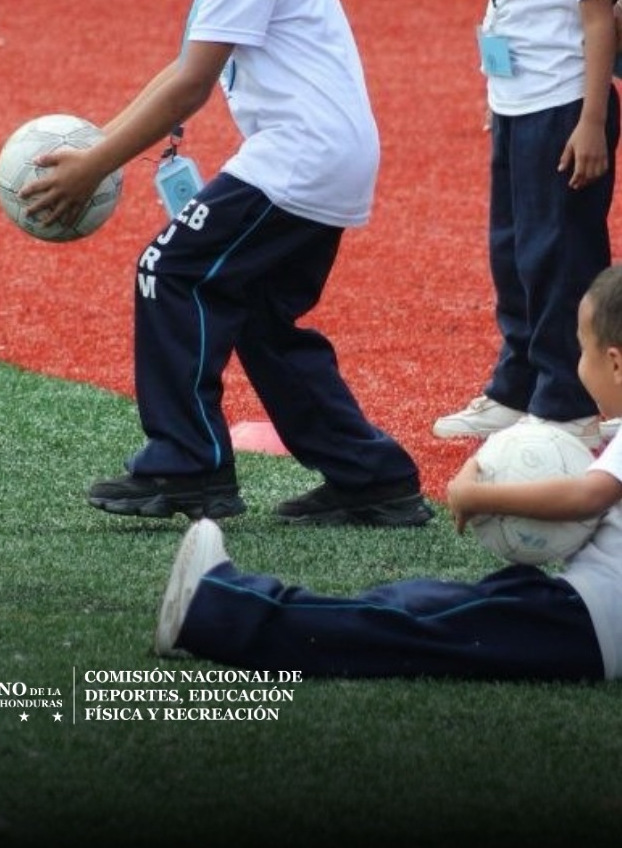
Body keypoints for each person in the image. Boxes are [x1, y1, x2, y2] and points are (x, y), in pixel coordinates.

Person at [22, 0, 430, 527]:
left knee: (168, 271)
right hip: (322, 156)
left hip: (299, 157)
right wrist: (106, 141)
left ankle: (189, 468)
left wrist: (94, 164)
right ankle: (372, 478)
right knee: (265, 321)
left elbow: (189, 85)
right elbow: (184, 71)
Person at [155, 264, 622, 679]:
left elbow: (587, 497)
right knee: (424, 603)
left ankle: (215, 609)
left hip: (590, 619)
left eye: (582, 351)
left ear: (615, 363)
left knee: (404, 630)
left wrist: (480, 497)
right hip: (583, 610)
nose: (578, 368)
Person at [434, 0, 619, 451]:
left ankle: (568, 402)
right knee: (512, 253)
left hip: (563, 114)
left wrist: (592, 118)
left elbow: (596, 19)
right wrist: (496, 93)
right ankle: (518, 388)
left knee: (559, 256)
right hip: (518, 109)